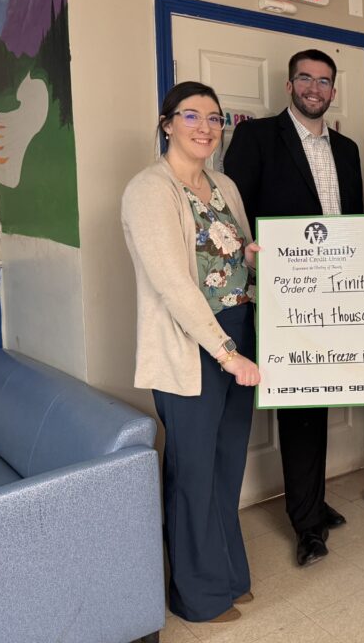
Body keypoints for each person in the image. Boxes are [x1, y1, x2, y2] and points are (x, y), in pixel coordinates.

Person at [121, 81, 261, 624]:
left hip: (238, 337)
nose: (205, 127)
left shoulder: (224, 185)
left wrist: (256, 256)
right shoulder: (149, 190)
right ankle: (197, 597)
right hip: (195, 348)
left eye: (214, 118)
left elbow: (239, 263)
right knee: (193, 471)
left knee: (227, 466)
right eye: (191, 116)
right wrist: (227, 354)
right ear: (166, 124)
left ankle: (228, 574)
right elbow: (173, 286)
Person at [224, 49, 362, 567]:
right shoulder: (257, 138)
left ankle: (312, 501)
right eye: (305, 78)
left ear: (333, 90)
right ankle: (306, 525)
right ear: (289, 85)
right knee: (301, 405)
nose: (314, 88)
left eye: (324, 81)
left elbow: (353, 224)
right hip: (283, 299)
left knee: (319, 398)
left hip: (337, 299)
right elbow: (236, 220)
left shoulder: (346, 150)